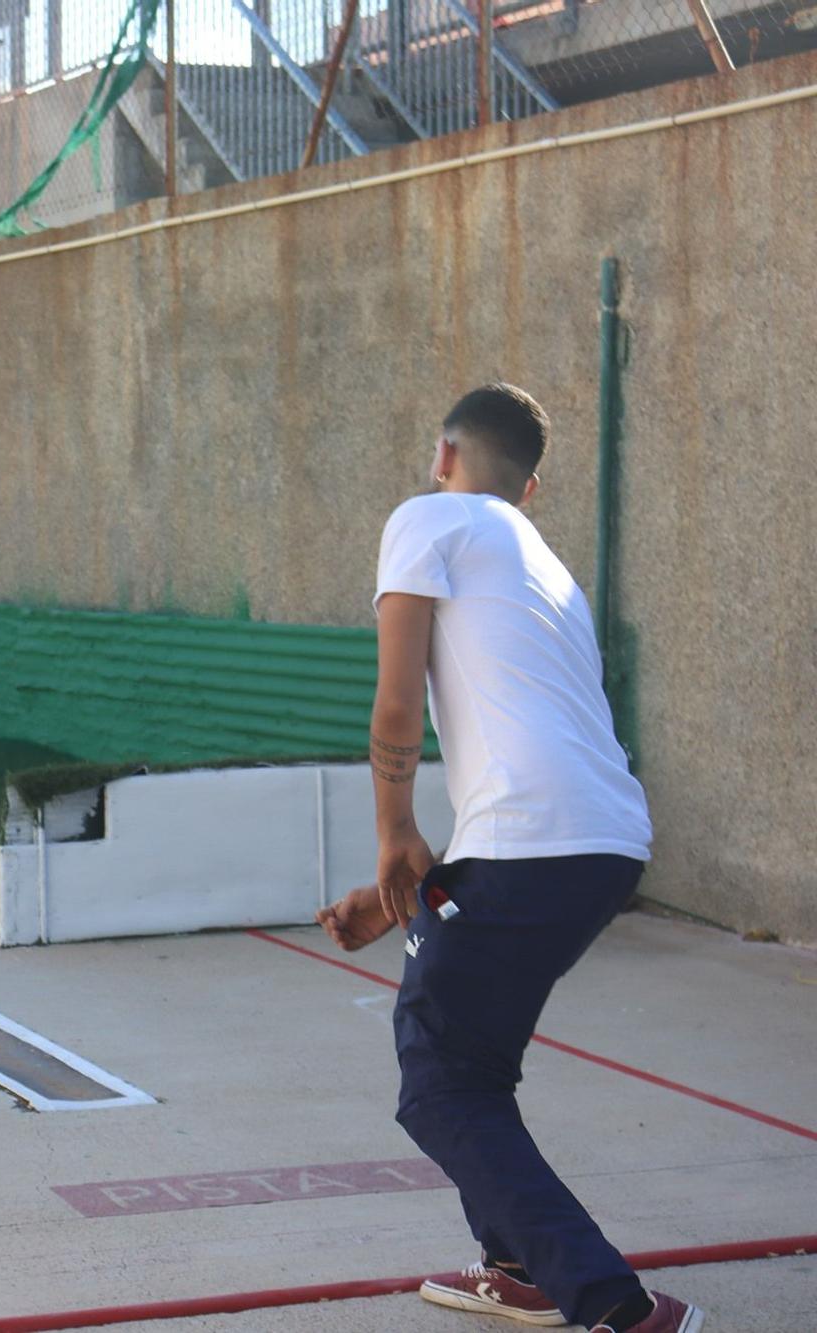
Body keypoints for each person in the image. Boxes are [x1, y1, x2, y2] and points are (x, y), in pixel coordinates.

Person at [316, 384, 697, 1332]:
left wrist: (393, 831)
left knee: (441, 1081)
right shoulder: (545, 571)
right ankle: (516, 1266)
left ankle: (616, 1306)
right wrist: (410, 886)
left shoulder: (428, 518)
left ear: (445, 455)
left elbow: (397, 701)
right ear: (530, 488)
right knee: (469, 1062)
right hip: (603, 845)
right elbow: (527, 770)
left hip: (539, 843)